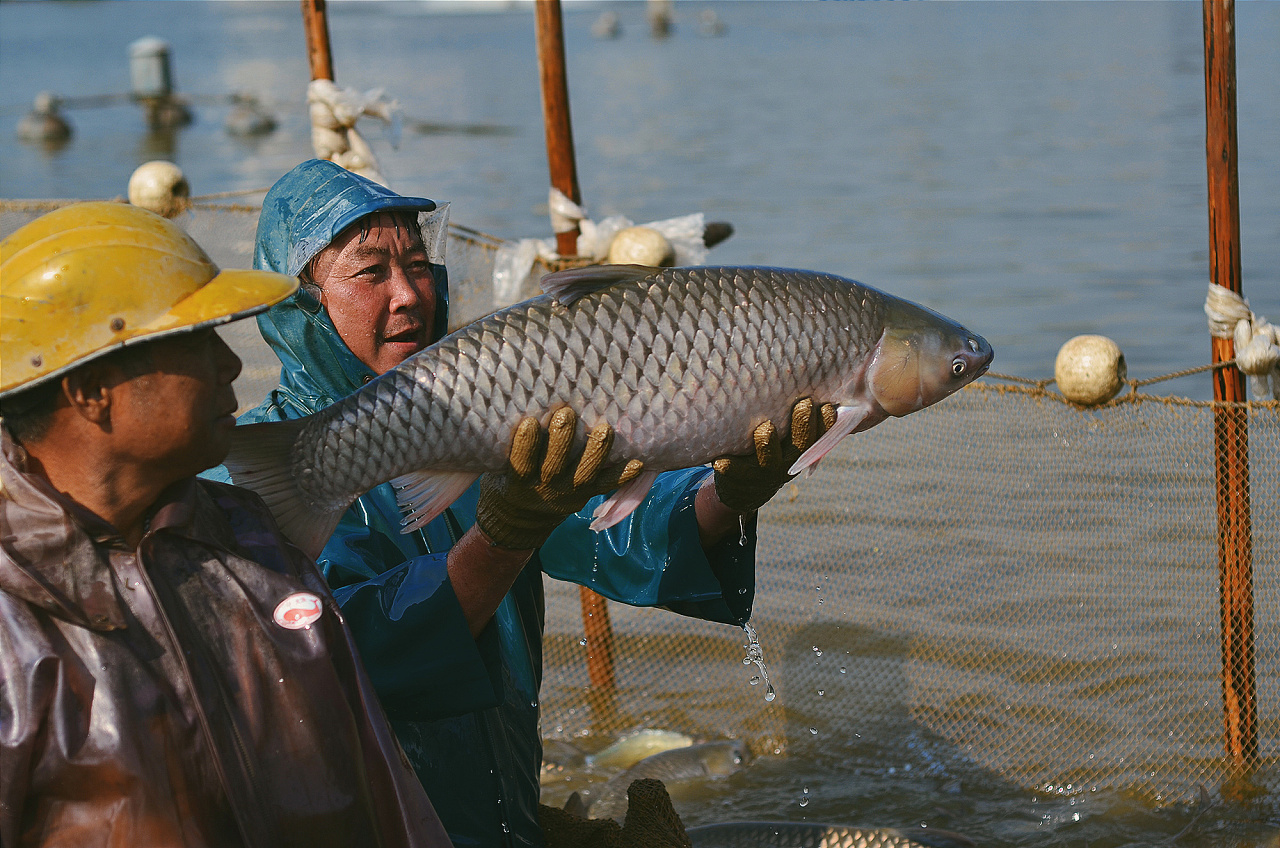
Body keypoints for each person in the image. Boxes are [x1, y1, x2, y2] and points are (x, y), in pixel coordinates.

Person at [212, 159, 831, 847]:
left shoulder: (488, 419)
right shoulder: (258, 477)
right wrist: (502, 537)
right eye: (370, 273)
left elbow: (614, 533)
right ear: (302, 308)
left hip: (503, 819)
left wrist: (731, 490)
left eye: (418, 265)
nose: (411, 294)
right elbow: (348, 661)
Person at [0, 202, 452, 848]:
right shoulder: (12, 624)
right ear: (92, 390)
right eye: (195, 341)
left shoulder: (260, 553)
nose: (231, 365)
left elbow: (391, 804)